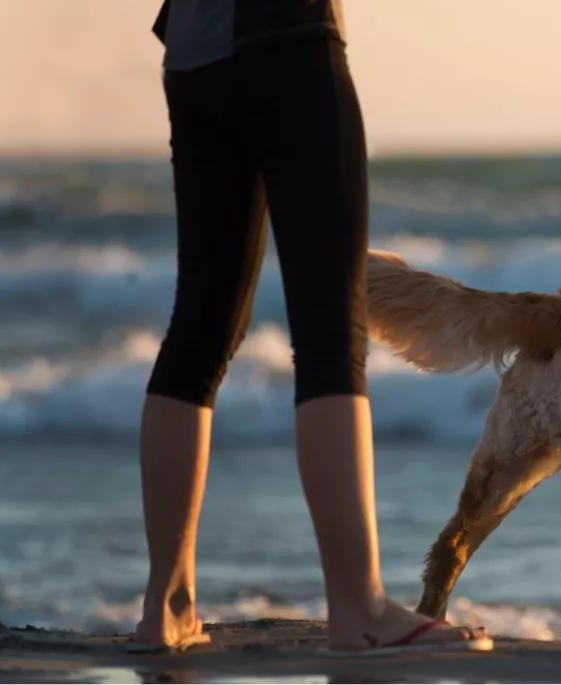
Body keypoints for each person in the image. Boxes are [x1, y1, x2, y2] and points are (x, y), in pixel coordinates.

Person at [130, 0, 492, 655]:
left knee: (198, 329)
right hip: (290, 37)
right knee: (329, 331)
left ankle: (167, 604)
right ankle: (359, 605)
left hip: (193, 53)